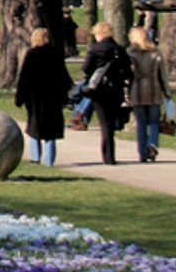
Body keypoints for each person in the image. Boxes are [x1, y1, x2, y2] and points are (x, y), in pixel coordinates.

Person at [13, 26, 72, 165]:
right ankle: (49, 160)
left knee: (35, 127)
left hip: (35, 98)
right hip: (53, 97)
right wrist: (65, 97)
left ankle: (35, 156)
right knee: (51, 131)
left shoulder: (32, 55)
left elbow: (24, 78)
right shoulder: (56, 54)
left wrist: (20, 98)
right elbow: (63, 77)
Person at [79, 21, 130, 165]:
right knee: (111, 123)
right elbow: (127, 70)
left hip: (99, 90)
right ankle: (111, 154)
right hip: (115, 89)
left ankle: (108, 155)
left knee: (104, 124)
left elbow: (86, 67)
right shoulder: (119, 49)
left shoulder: (95, 49)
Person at [125, 26, 172, 163]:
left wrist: (126, 93)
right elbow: (162, 75)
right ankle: (152, 143)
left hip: (137, 90)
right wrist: (167, 92)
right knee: (154, 121)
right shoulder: (155, 53)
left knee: (141, 123)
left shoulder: (130, 54)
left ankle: (142, 152)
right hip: (154, 89)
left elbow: (127, 77)